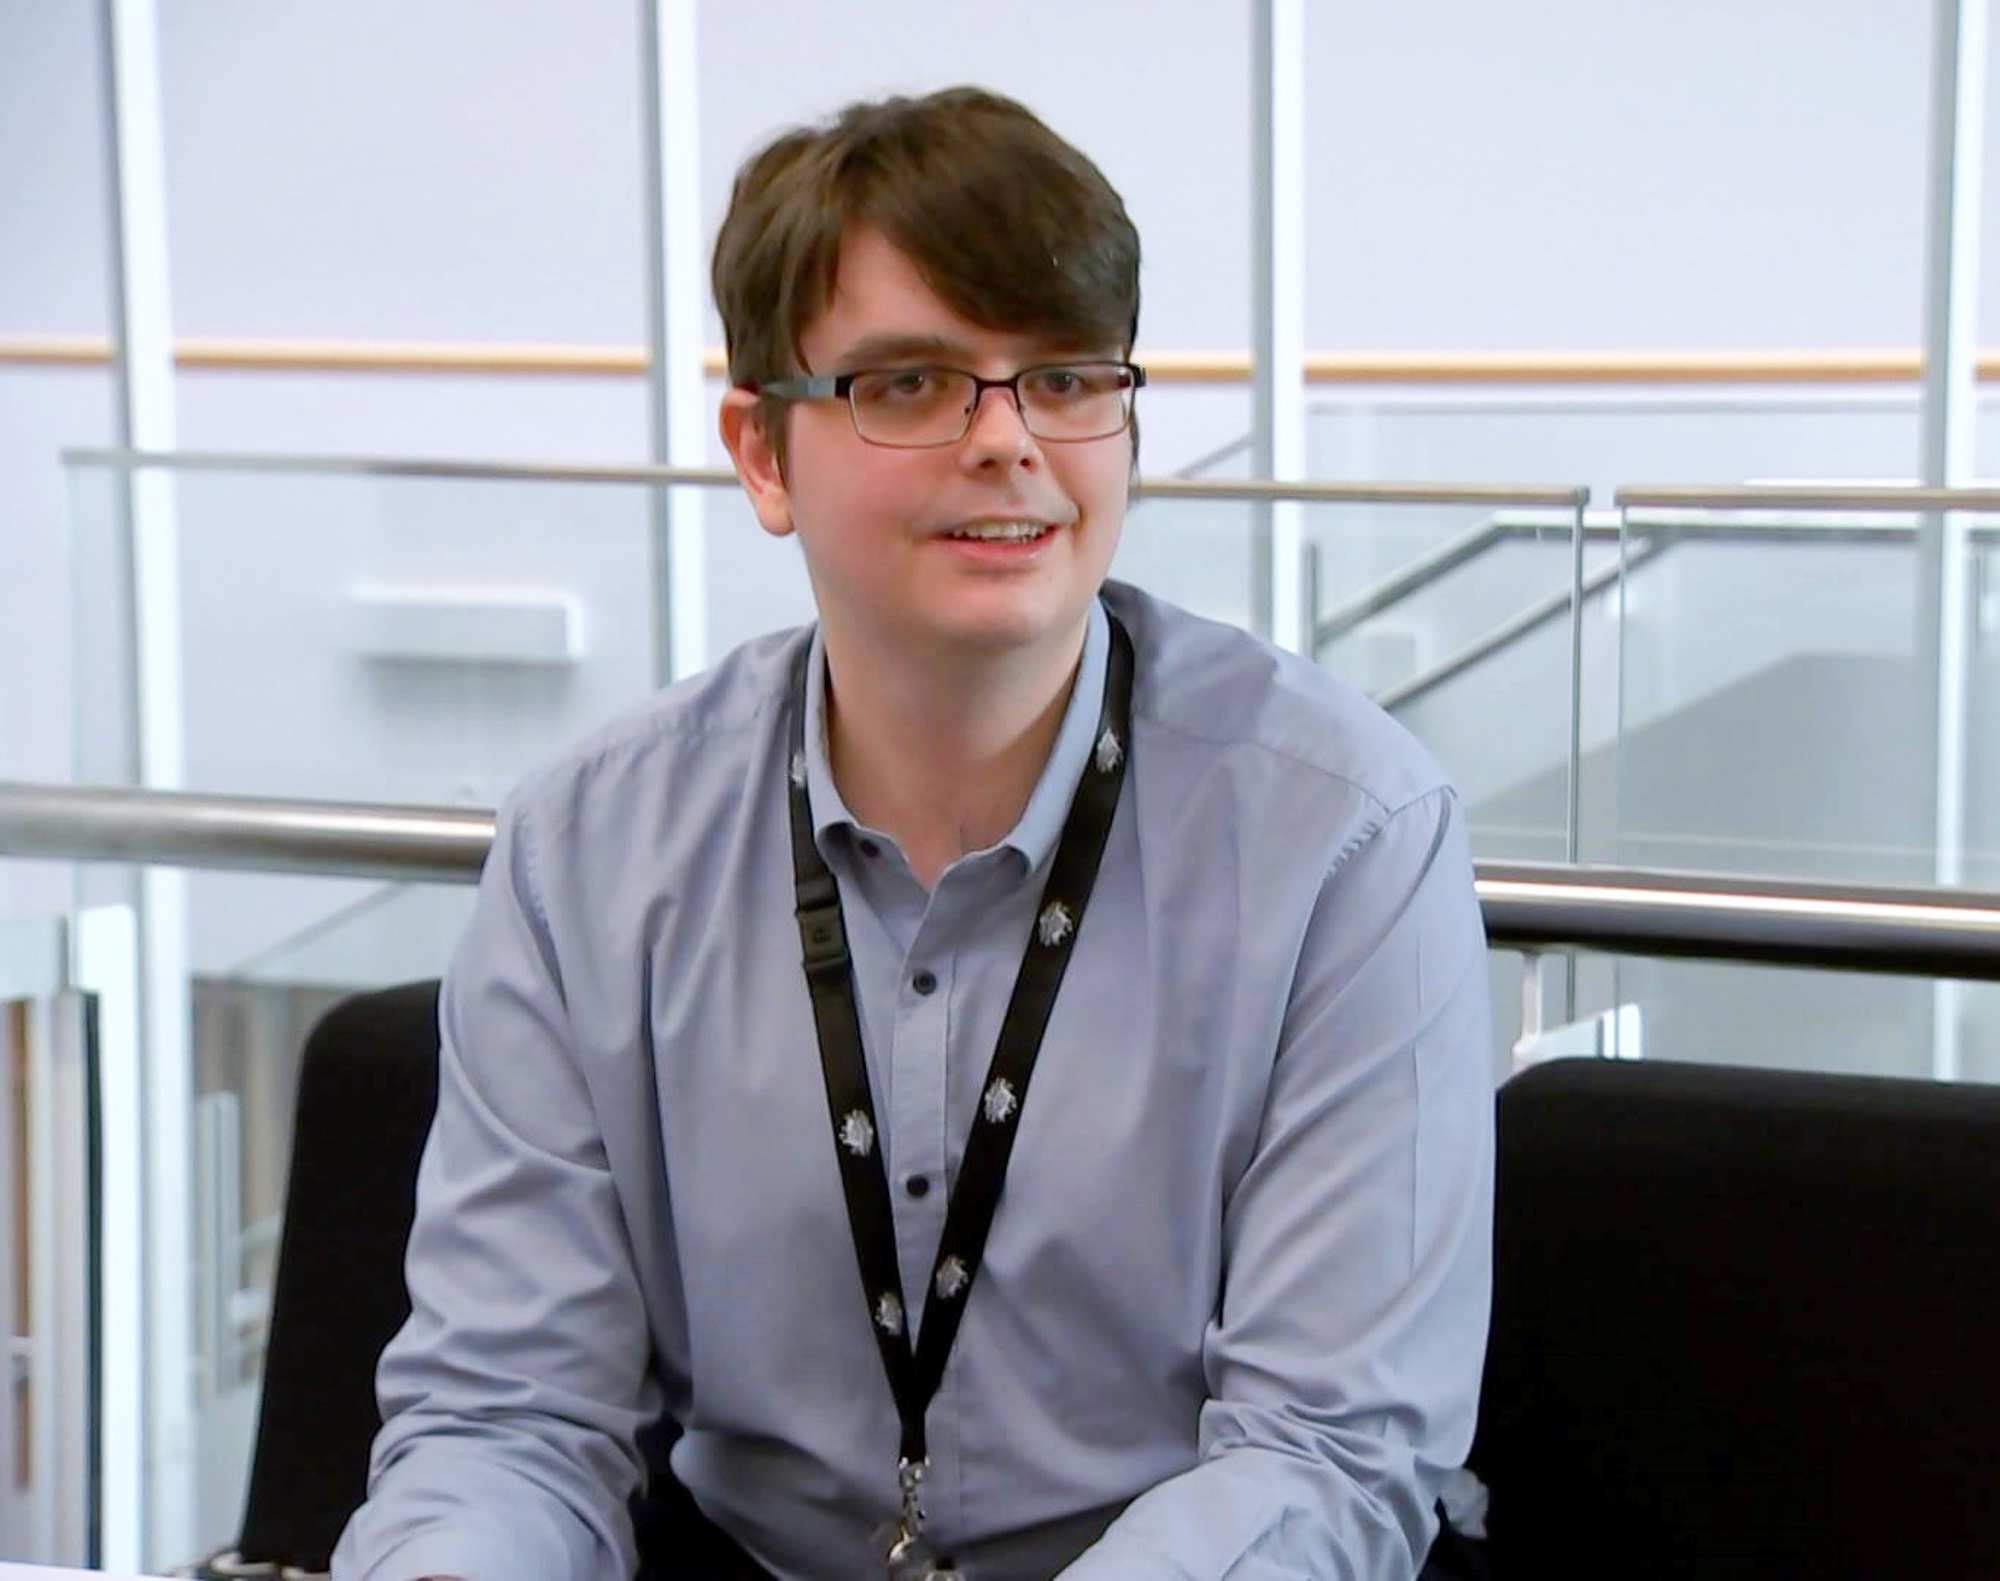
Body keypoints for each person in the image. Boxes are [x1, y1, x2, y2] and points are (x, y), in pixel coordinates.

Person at [333, 85, 1494, 1581]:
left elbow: (1324, 1461)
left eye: (1066, 377)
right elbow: (507, 1418)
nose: (1008, 442)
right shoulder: (587, 855)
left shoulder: (1350, 842)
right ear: (762, 451)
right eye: (912, 384)